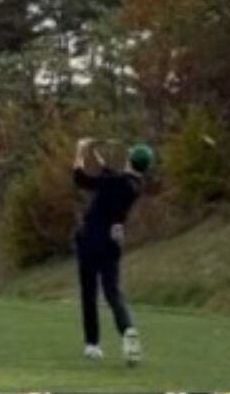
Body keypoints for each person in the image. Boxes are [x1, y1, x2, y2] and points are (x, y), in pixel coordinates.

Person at [72, 137, 154, 365]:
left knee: (89, 292)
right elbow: (109, 174)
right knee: (112, 291)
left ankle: (92, 344)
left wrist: (79, 151)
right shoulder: (134, 185)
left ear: (129, 160)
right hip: (112, 242)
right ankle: (127, 328)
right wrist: (96, 154)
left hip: (91, 237)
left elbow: (80, 179)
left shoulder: (115, 183)